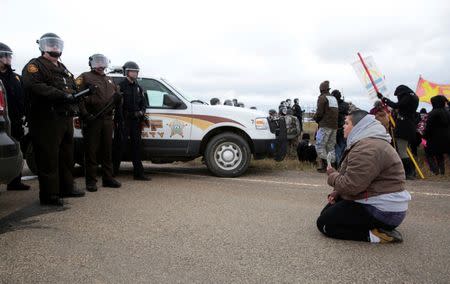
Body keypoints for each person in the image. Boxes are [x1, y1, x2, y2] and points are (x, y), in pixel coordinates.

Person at [317, 110, 410, 243]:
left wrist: (332, 175)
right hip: (380, 202)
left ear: (358, 126)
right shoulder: (368, 142)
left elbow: (351, 186)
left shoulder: (367, 148)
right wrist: (338, 191)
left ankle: (378, 235)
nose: (343, 126)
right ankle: (377, 228)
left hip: (384, 211)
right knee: (328, 212)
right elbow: (358, 179)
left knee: (325, 224)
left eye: (347, 123)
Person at [22, 33, 85, 205]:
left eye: (56, 45)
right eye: (50, 44)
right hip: (46, 119)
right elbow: (33, 86)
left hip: (64, 119)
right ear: (42, 46)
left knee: (67, 156)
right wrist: (62, 95)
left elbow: (72, 86)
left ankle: (67, 187)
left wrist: (76, 95)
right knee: (48, 157)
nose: (54, 48)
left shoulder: (63, 68)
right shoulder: (35, 66)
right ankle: (49, 195)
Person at [76, 54, 121, 192]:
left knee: (107, 150)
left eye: (103, 63)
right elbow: (78, 98)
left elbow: (116, 96)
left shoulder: (109, 79)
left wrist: (119, 98)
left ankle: (108, 178)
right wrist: (84, 114)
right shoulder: (84, 77)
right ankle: (91, 181)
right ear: (91, 64)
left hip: (107, 119)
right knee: (91, 151)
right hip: (92, 119)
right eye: (97, 63)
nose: (101, 66)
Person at [113, 61, 150, 181]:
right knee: (119, 147)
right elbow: (116, 105)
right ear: (127, 72)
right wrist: (119, 120)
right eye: (133, 71)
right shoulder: (120, 86)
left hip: (135, 121)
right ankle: (112, 174)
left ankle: (138, 174)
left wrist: (141, 112)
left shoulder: (138, 87)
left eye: (136, 71)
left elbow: (143, 104)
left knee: (136, 147)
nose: (135, 73)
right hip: (124, 121)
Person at [0, 42, 30, 191]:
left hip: (16, 119)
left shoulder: (16, 78)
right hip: (2, 119)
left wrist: (25, 113)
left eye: (9, 55)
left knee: (17, 148)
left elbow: (24, 97)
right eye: (6, 55)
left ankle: (15, 181)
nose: (9, 58)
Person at [378, 85, 419, 179]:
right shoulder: (414, 97)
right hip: (410, 126)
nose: (398, 97)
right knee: (404, 150)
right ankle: (411, 172)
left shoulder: (407, 98)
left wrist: (383, 99)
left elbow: (396, 105)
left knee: (402, 151)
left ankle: (409, 172)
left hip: (404, 126)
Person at [313, 81, 338, 172]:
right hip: (334, 126)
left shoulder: (322, 98)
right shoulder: (333, 98)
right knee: (330, 147)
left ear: (321, 89)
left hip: (324, 126)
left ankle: (323, 166)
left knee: (320, 145)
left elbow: (319, 113)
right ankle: (333, 166)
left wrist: (315, 118)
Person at [423, 95, 450, 175]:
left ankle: (435, 171)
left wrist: (424, 136)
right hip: (447, 138)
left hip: (434, 139)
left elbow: (428, 128)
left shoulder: (432, 113)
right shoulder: (448, 112)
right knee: (440, 155)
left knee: (429, 154)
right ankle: (442, 172)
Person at [332, 90, 349, 164]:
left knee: (335, 145)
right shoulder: (345, 105)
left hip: (336, 128)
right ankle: (341, 161)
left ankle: (339, 162)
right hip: (344, 127)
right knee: (343, 145)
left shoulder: (333, 106)